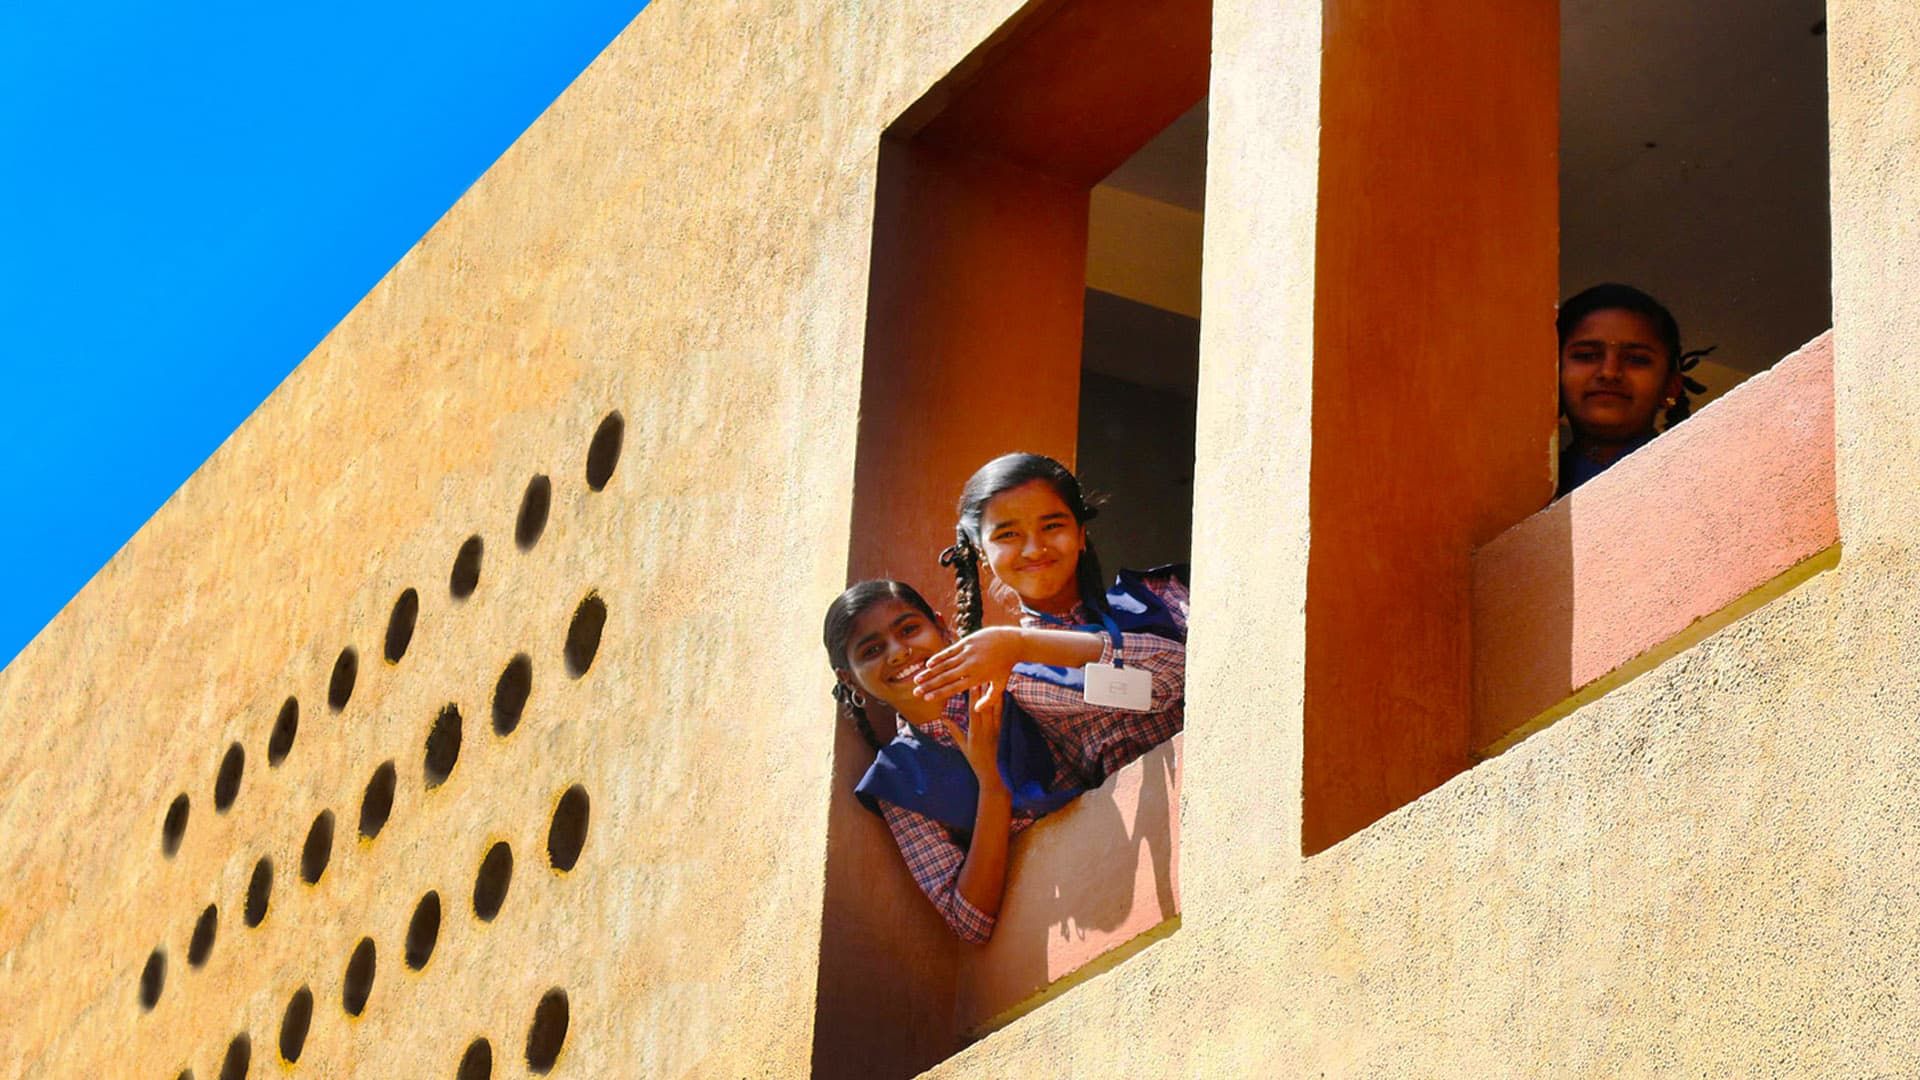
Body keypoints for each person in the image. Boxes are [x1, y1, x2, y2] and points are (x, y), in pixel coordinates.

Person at [825, 580, 1161, 943]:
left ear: (940, 626)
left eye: (909, 629)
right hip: (1058, 937)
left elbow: (1154, 688)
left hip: (1137, 860)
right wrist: (992, 787)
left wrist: (1022, 648)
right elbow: (971, 922)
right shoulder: (897, 781)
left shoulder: (1006, 679)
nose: (897, 653)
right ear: (851, 681)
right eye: (872, 650)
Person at [919, 452, 1188, 785]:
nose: (1034, 549)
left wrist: (1021, 643)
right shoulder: (1007, 679)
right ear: (981, 556)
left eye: (1052, 526)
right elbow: (1145, 691)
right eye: (1007, 535)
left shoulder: (1160, 596)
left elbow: (1181, 679)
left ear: (1080, 536)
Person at [1556, 283, 1711, 497]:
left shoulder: (1702, 484)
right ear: (1554, 376)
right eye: (1586, 355)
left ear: (1671, 386)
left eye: (1636, 359)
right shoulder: (1528, 492)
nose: (1609, 372)